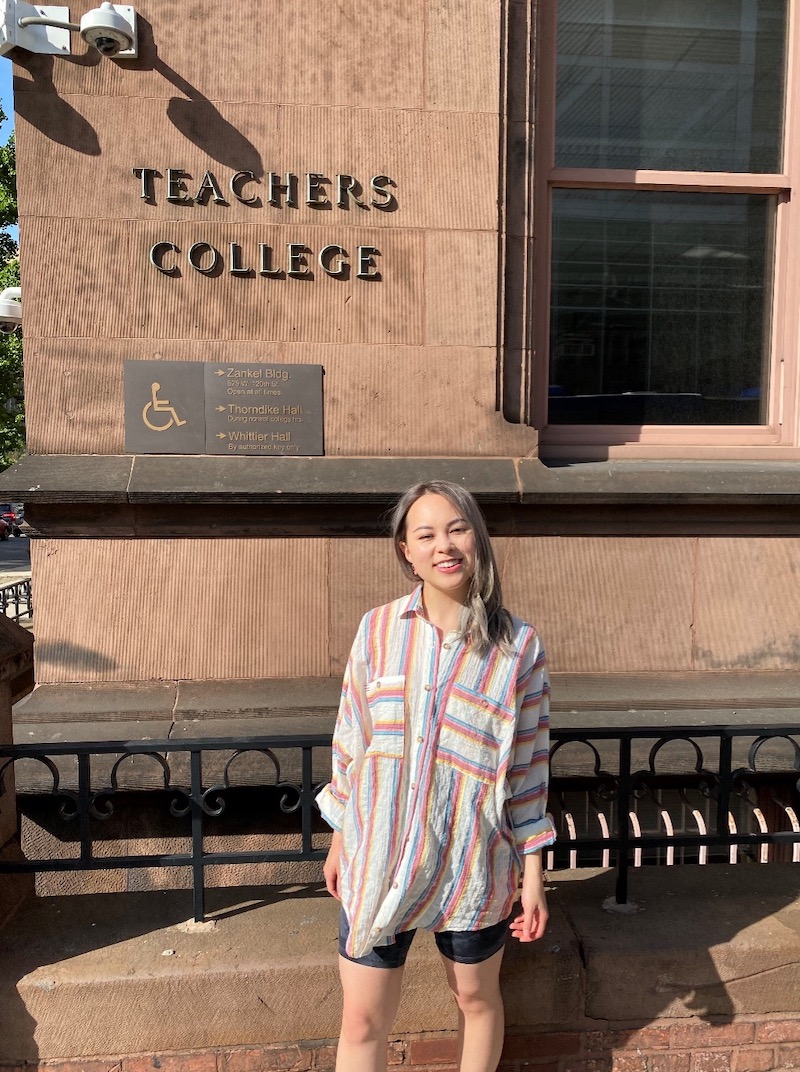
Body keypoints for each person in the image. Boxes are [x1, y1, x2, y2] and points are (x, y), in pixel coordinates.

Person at [316, 481, 556, 1072]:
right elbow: (354, 740)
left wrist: (533, 878)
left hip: (473, 861)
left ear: (478, 537)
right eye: (425, 534)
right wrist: (341, 838)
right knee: (362, 1017)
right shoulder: (377, 630)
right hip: (379, 853)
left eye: (456, 529)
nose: (443, 546)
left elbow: (528, 768)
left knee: (475, 998)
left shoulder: (517, 647)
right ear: (405, 549)